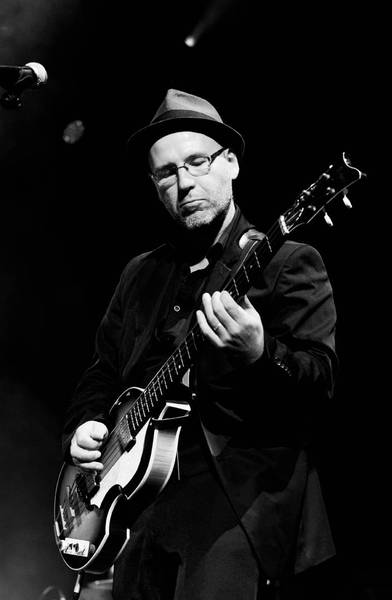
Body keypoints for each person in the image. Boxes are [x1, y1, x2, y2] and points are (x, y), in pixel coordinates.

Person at [61, 89, 339, 599]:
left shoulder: (286, 262)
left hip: (236, 507)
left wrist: (260, 357)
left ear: (231, 163)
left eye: (197, 162)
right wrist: (84, 424)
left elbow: (318, 385)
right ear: (154, 185)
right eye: (167, 173)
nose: (184, 182)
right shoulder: (141, 273)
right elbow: (102, 370)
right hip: (139, 509)